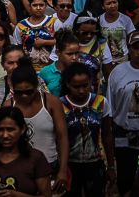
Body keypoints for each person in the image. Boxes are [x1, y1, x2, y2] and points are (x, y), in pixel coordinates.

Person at [4, 59, 69, 193]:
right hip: (20, 167)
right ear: (12, 88)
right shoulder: (8, 106)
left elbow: (62, 137)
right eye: (18, 92)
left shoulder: (51, 102)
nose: (24, 96)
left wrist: (62, 171)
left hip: (50, 165)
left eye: (29, 91)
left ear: (37, 85)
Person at [105, 31, 139, 195]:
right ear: (128, 49)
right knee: (125, 178)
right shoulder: (117, 72)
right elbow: (110, 108)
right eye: (135, 47)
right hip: (124, 133)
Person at [59, 62, 115, 197]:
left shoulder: (101, 102)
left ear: (91, 82)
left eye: (85, 86)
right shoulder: (60, 105)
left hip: (95, 164)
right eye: (76, 87)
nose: (81, 91)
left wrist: (111, 166)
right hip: (70, 165)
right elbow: (58, 137)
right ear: (68, 84)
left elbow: (107, 135)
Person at [0, 106, 52, 197]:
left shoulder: (36, 158)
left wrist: (17, 195)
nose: (5, 135)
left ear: (22, 129)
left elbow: (46, 195)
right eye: (0, 130)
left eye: (10, 129)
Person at [38, 29, 80, 96]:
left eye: (77, 53)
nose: (74, 57)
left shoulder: (82, 71)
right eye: (69, 54)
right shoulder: (46, 72)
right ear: (58, 52)